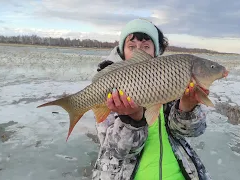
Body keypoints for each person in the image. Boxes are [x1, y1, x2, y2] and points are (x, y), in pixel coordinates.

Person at [91, 18, 212, 180]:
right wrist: (133, 119)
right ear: (122, 51)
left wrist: (187, 108)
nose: (137, 52)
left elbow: (193, 131)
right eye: (131, 46)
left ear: (155, 52)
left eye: (146, 46)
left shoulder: (171, 78)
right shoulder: (112, 87)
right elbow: (116, 151)